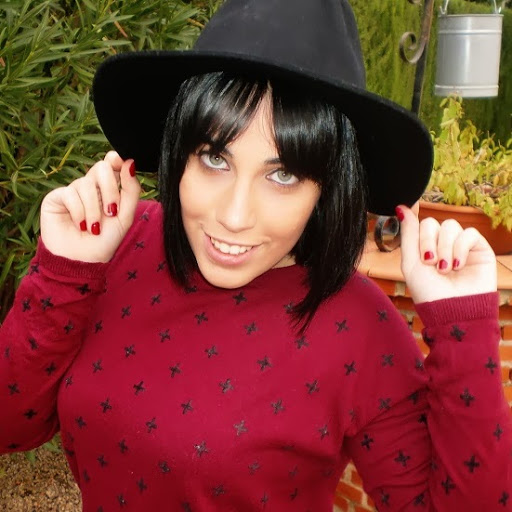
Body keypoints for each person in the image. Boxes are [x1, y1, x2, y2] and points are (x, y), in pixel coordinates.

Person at [1, 0, 510, 511]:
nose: (235, 215)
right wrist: (64, 274)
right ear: (180, 154)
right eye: (214, 158)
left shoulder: (361, 328)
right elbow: (11, 425)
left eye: (282, 174)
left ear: (327, 187)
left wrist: (463, 327)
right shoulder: (120, 247)